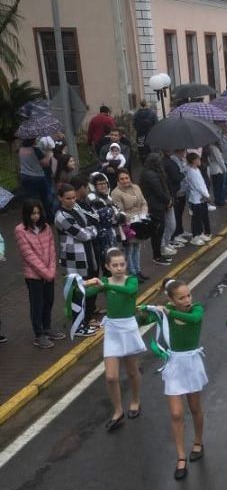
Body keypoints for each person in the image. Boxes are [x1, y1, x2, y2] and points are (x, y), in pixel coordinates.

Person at [142, 278, 207, 480]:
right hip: (174, 365)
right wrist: (144, 311)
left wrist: (169, 312)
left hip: (192, 363)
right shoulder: (165, 313)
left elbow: (194, 320)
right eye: (182, 297)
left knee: (195, 407)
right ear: (171, 299)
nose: (187, 299)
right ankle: (180, 456)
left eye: (188, 295)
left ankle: (198, 441)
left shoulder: (196, 310)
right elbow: (140, 320)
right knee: (177, 414)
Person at [84, 247, 144, 429]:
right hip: (112, 330)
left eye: (122, 264)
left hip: (128, 328)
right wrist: (80, 284)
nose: (119, 268)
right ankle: (118, 411)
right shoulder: (104, 281)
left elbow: (130, 292)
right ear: (107, 266)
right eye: (115, 265)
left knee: (132, 371)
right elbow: (86, 294)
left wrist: (104, 285)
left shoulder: (131, 280)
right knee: (111, 377)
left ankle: (135, 400)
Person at [15, 199, 66, 349]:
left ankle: (47, 327)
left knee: (49, 301)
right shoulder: (20, 230)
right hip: (33, 275)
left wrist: (51, 270)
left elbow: (51, 248)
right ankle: (39, 334)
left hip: (48, 272)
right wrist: (46, 272)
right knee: (37, 304)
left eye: (38, 213)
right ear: (26, 214)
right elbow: (28, 255)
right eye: (32, 214)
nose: (36, 216)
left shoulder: (46, 228)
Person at [55, 182, 99, 338]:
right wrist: (92, 230)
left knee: (88, 290)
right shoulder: (61, 216)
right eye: (68, 198)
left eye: (73, 197)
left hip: (88, 255)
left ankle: (86, 321)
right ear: (60, 198)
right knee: (78, 292)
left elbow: (92, 222)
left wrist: (91, 229)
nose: (72, 201)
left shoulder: (76, 209)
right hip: (74, 259)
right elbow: (84, 234)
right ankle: (78, 325)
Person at [110, 169, 149, 282]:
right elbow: (120, 212)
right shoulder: (115, 193)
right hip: (128, 224)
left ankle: (138, 270)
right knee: (129, 250)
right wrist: (133, 219)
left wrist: (143, 215)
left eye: (126, 178)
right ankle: (132, 273)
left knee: (138, 247)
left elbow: (144, 203)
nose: (125, 180)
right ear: (118, 180)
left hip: (140, 221)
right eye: (122, 179)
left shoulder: (136, 187)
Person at [139, 152, 176, 265]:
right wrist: (168, 200)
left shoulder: (147, 172)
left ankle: (158, 254)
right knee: (158, 231)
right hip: (155, 206)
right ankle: (157, 256)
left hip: (156, 205)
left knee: (159, 231)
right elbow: (158, 190)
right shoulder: (151, 174)